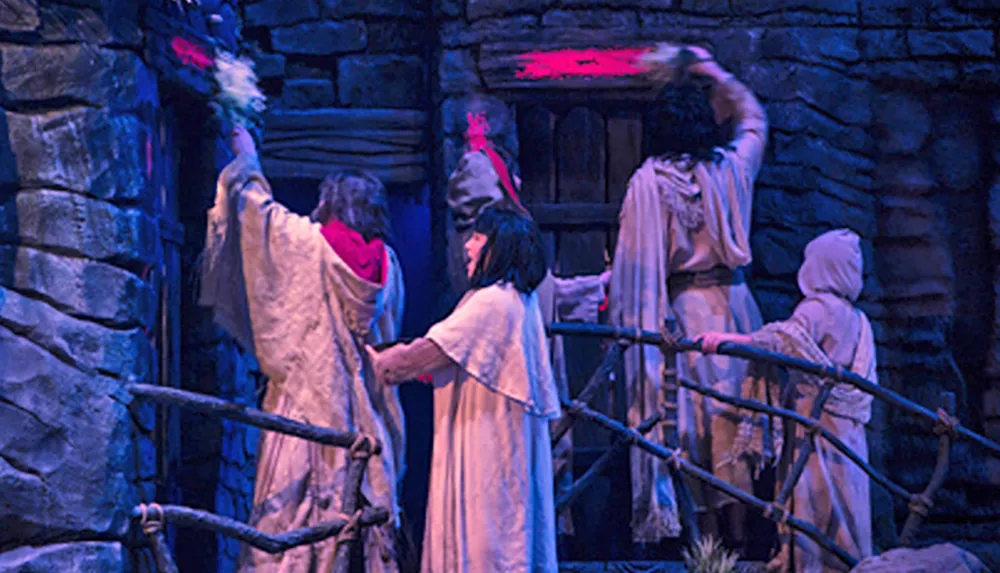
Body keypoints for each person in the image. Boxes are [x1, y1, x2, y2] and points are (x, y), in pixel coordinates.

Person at [199, 125, 406, 573]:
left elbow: (257, 214)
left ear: (330, 202)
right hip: (365, 412)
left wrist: (248, 159)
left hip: (307, 405)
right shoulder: (388, 263)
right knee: (362, 524)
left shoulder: (308, 244)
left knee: (292, 519)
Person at [608, 44, 768, 548]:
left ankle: (710, 543)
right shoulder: (731, 169)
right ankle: (738, 540)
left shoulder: (648, 184)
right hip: (739, 309)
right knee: (730, 419)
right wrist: (714, 69)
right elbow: (755, 120)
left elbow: (637, 267)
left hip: (688, 314)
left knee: (697, 425)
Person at [368, 207, 560, 573]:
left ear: (497, 247)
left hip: (487, 439)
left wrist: (380, 361)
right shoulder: (519, 299)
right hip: (498, 435)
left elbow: (433, 351)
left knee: (488, 537)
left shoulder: (493, 302)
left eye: (477, 237)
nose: (467, 246)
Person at [446, 113, 609, 537]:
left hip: (534, 358)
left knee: (546, 451)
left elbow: (550, 289)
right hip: (512, 374)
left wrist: (598, 287)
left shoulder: (510, 239)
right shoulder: (491, 244)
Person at [696, 229, 875, 573]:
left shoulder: (818, 308)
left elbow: (778, 341)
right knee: (846, 493)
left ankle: (812, 563)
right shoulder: (858, 318)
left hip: (816, 420)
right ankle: (847, 559)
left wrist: (725, 339)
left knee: (814, 492)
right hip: (848, 428)